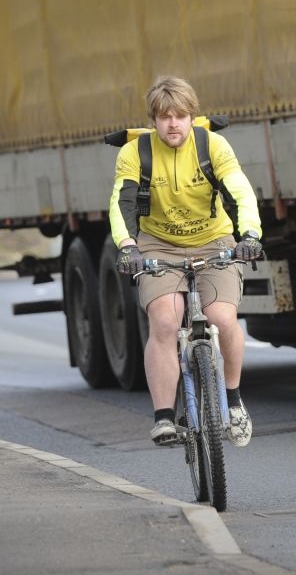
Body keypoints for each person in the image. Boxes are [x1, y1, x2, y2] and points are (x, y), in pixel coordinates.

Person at [109, 76, 263, 447]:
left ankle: (233, 401)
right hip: (157, 244)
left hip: (214, 241)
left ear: (192, 117)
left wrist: (250, 236)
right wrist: (128, 247)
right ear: (153, 120)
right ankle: (164, 417)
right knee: (164, 321)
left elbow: (239, 191)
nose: (173, 124)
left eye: (180, 116)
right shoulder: (134, 153)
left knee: (222, 318)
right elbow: (122, 202)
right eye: (165, 117)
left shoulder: (213, 145)